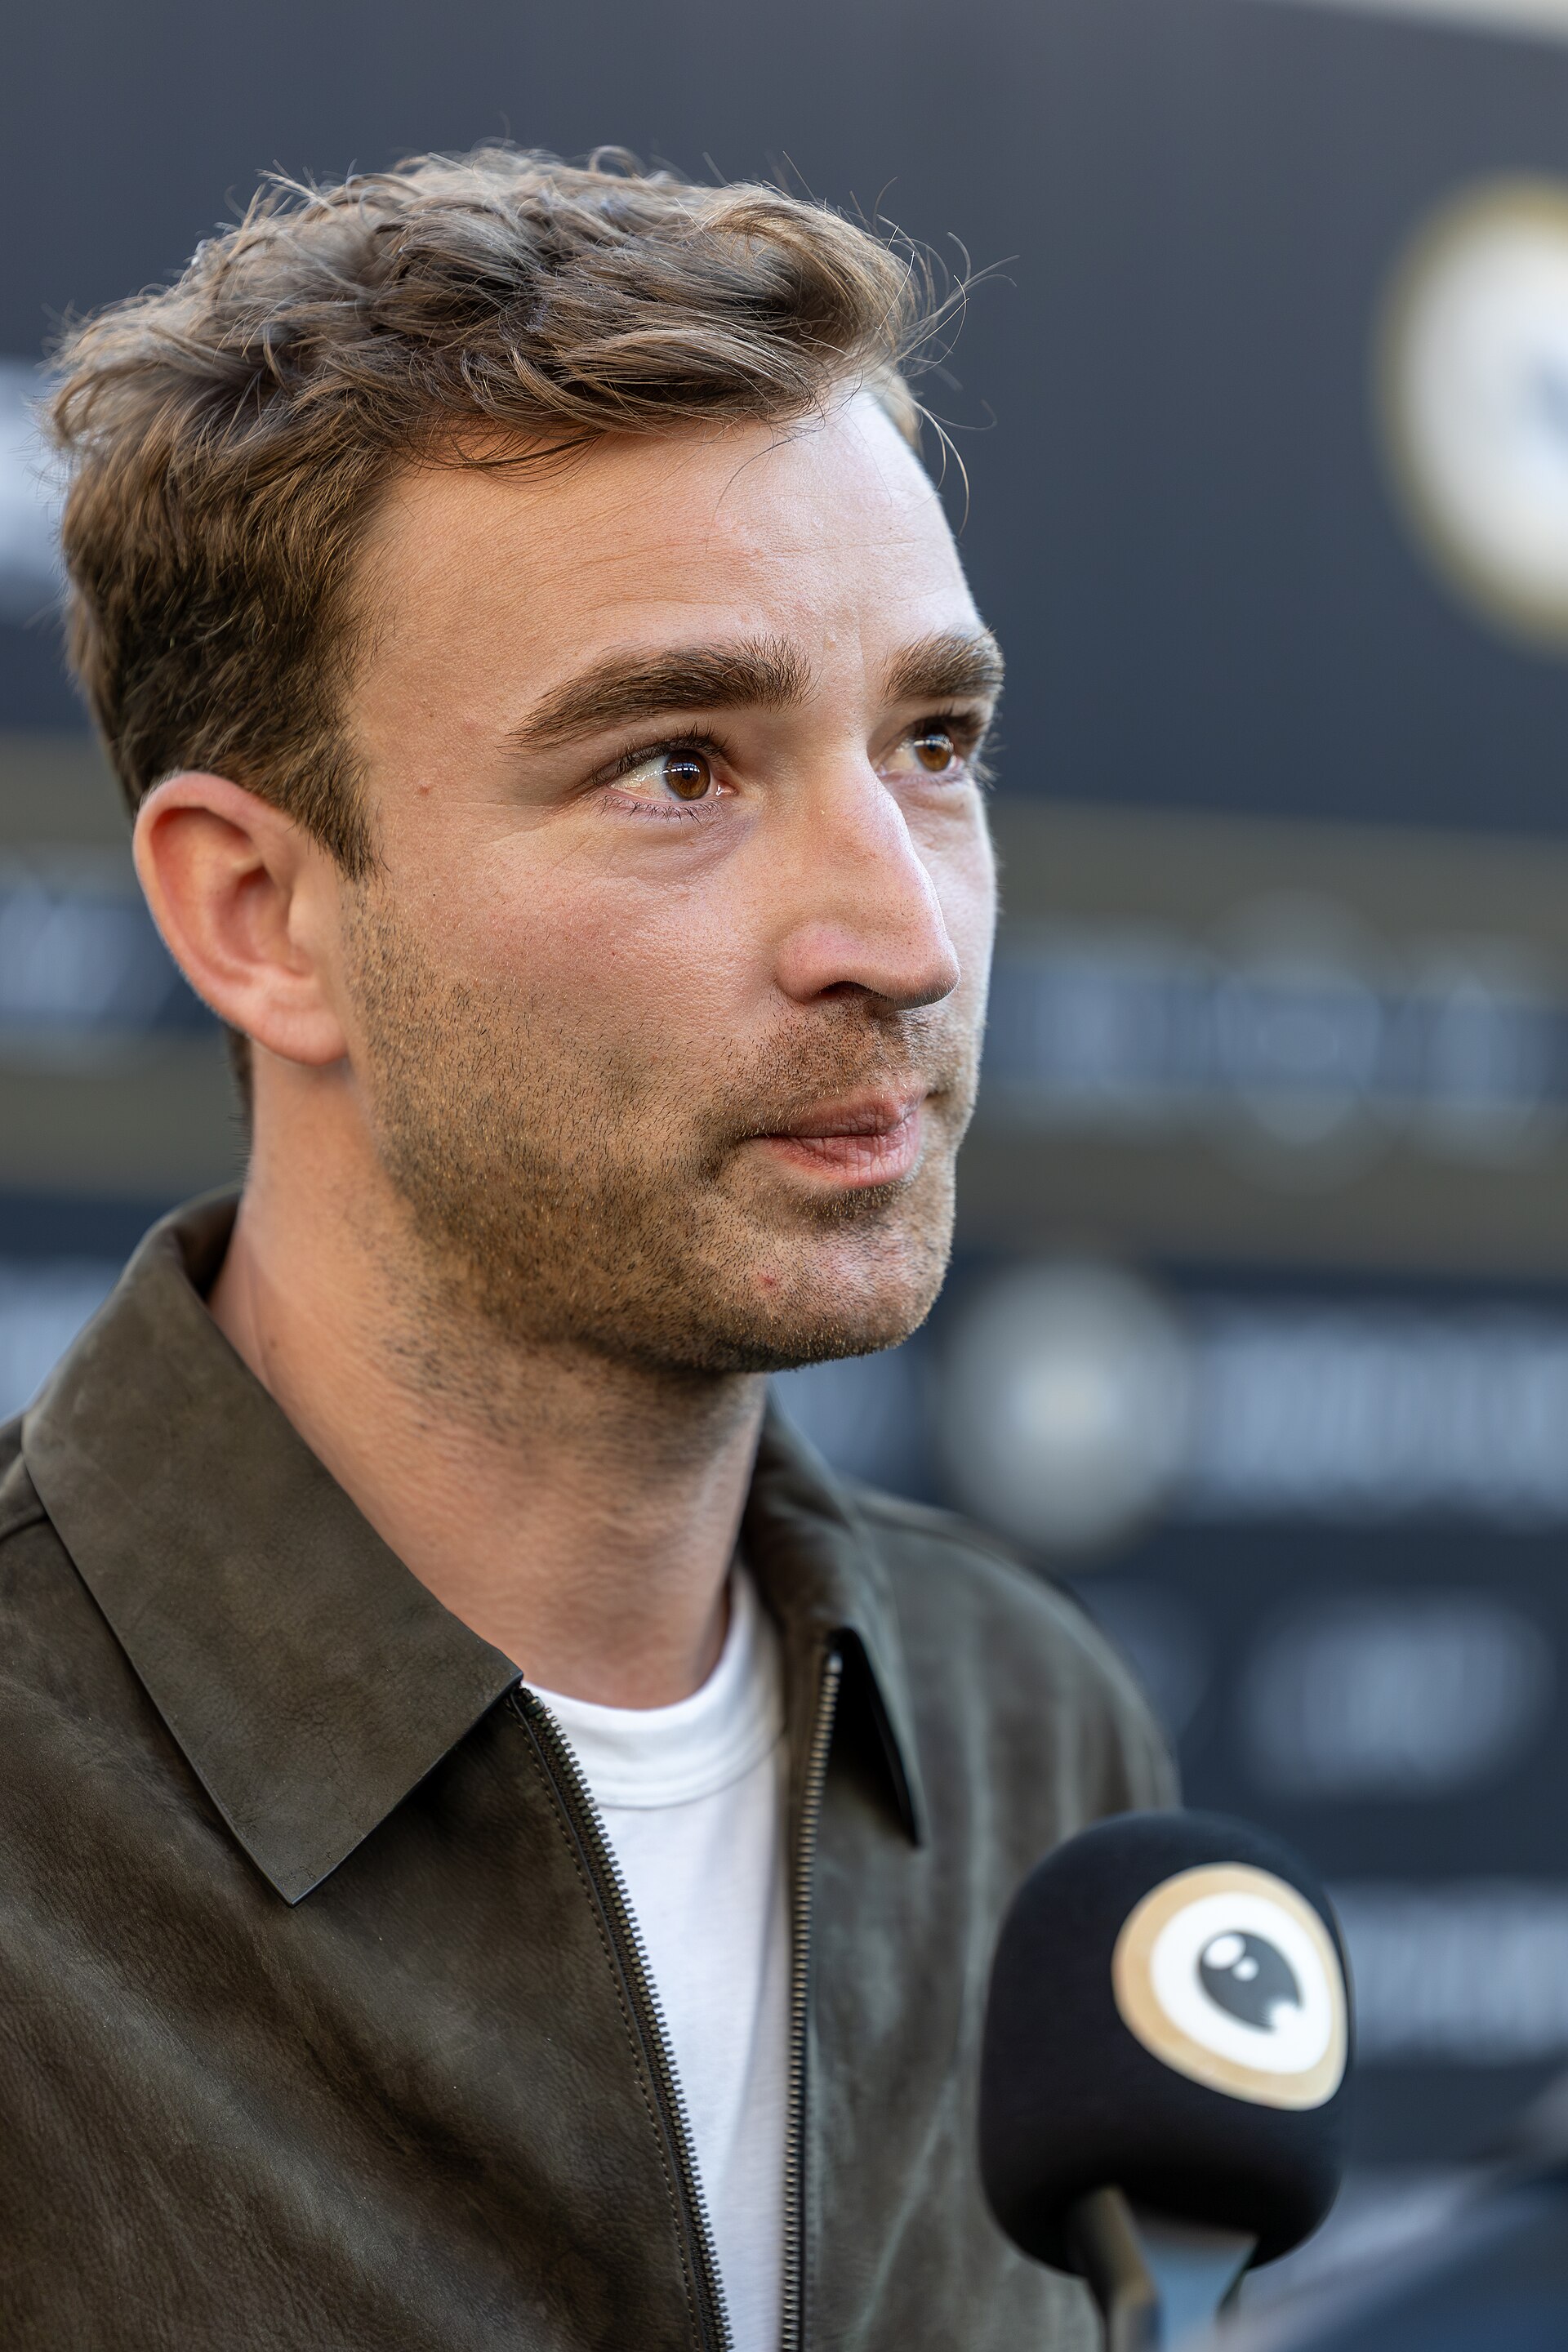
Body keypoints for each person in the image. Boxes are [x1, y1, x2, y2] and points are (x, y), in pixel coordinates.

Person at [0, 150, 1174, 2350]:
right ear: (258, 913)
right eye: (675, 768)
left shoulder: (1038, 1743)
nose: (900, 935)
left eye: (933, 743)